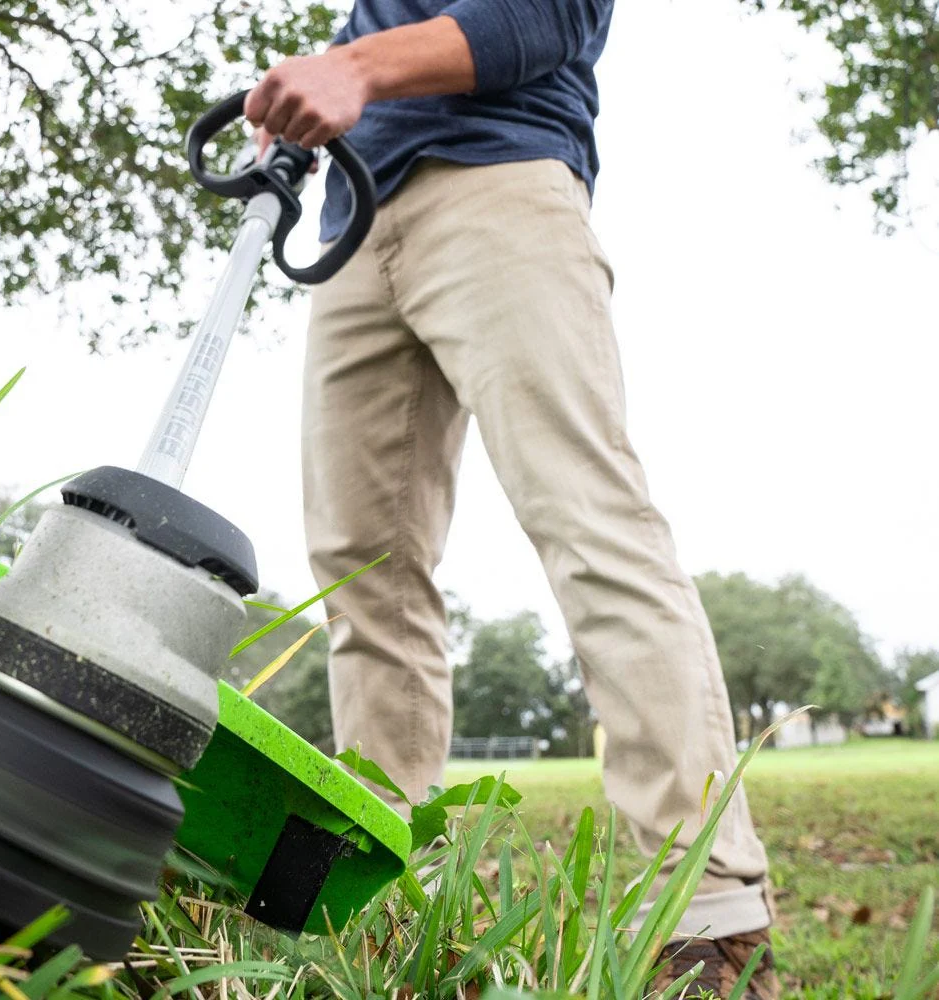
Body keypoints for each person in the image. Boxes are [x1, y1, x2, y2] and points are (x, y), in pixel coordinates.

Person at [243, 1, 778, 996]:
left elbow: (552, 15)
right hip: (357, 219)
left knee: (588, 518)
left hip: (498, 182)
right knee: (360, 571)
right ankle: (386, 912)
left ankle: (709, 917)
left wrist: (353, 67)